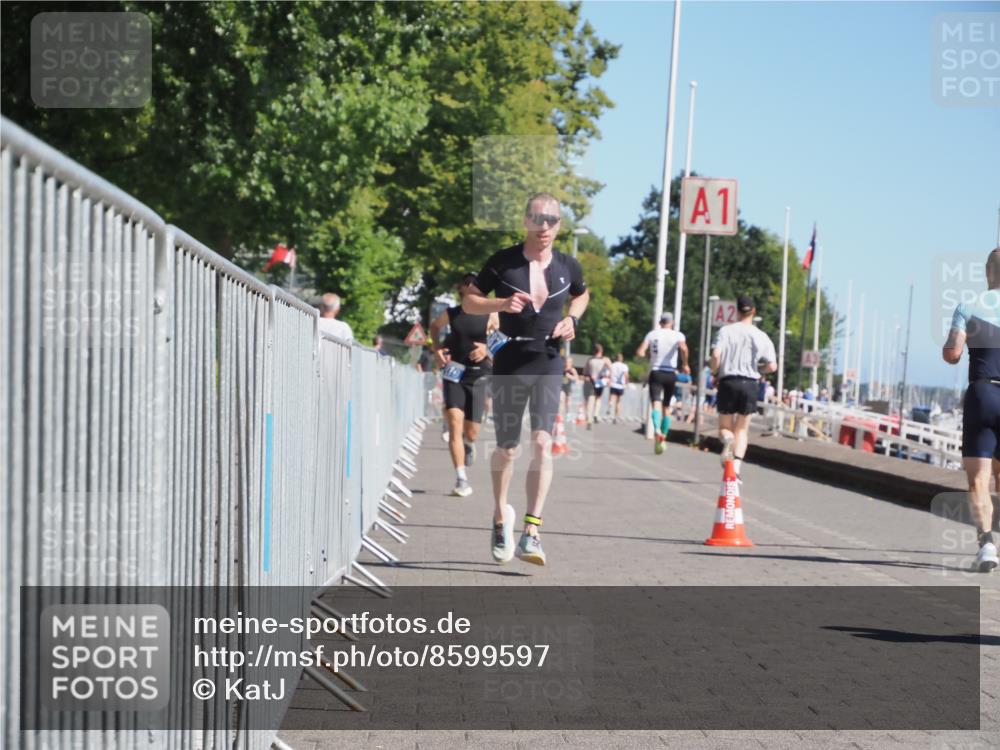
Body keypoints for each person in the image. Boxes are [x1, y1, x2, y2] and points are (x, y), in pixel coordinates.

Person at [462, 192, 589, 566]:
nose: (545, 226)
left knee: (543, 442)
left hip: (548, 360)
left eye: (551, 220)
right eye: (538, 218)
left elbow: (581, 296)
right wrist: (498, 305)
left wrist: (573, 320)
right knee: (507, 449)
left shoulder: (569, 266)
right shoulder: (503, 263)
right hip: (510, 360)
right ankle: (501, 515)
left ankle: (532, 530)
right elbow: (470, 299)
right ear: (526, 220)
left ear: (559, 225)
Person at [943, 247, 1000, 572]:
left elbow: (953, 353)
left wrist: (948, 349)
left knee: (979, 478)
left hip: (983, 392)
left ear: (988, 273)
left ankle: (987, 544)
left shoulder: (968, 307)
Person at [429, 273, 499, 497]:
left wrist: (487, 350)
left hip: (479, 374)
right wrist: (437, 350)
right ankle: (461, 479)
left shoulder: (491, 314)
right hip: (454, 372)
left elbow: (503, 341)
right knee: (454, 423)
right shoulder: (452, 313)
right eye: (467, 283)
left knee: (472, 431)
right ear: (462, 288)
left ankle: (469, 443)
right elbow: (433, 328)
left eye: (475, 284)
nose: (471, 287)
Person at [710, 295, 777, 481]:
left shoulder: (726, 331)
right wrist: (759, 368)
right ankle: (736, 469)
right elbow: (772, 367)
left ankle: (727, 440)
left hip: (728, 381)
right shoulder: (761, 336)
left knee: (725, 427)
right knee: (742, 429)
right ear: (753, 312)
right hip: (750, 384)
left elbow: (716, 355)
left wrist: (715, 371)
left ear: (737, 311)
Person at [636, 312, 689, 454]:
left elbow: (640, 351)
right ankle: (663, 437)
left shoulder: (652, 334)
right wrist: (685, 364)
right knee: (667, 407)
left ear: (660, 322)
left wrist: (649, 356)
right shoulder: (678, 335)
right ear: (672, 323)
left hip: (656, 372)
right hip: (671, 373)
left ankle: (657, 429)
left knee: (656, 404)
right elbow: (683, 348)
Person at [583, 344, 612, 428]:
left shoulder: (590, 360)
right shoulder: (605, 359)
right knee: (598, 398)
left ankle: (590, 418)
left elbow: (585, 372)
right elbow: (611, 369)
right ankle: (596, 414)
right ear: (601, 351)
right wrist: (610, 378)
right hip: (600, 381)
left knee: (591, 398)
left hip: (592, 380)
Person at [607, 353, 630, 423]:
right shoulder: (624, 366)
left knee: (611, 397)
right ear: (621, 359)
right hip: (620, 385)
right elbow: (626, 375)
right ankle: (616, 417)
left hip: (613, 384)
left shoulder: (612, 365)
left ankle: (610, 404)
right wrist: (626, 383)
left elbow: (609, 374)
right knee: (618, 402)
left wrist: (609, 381)